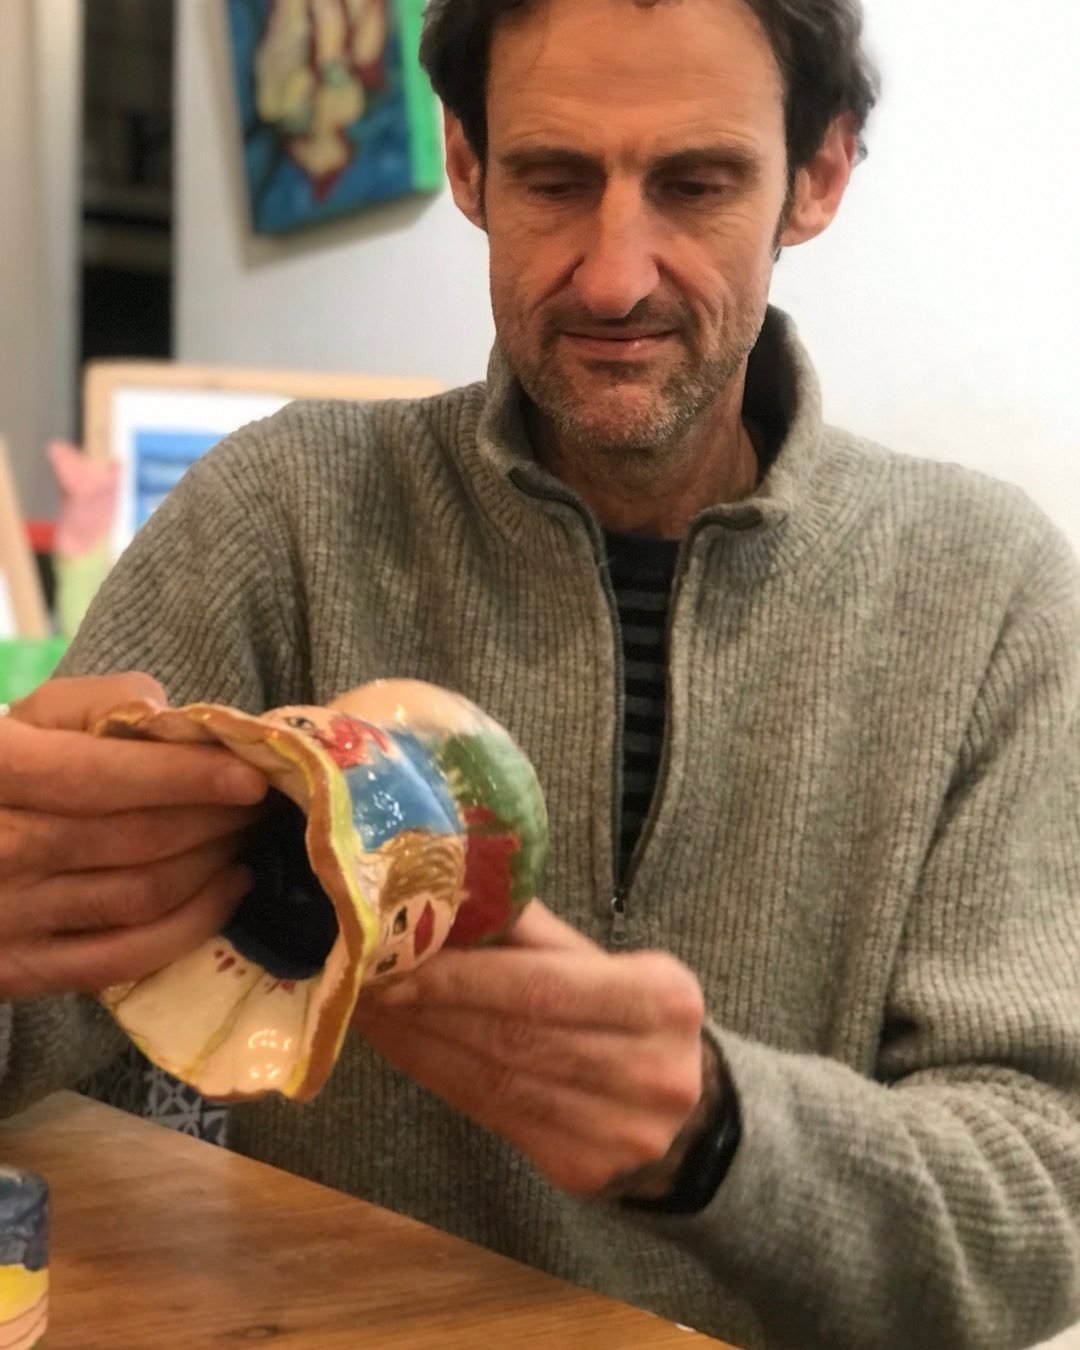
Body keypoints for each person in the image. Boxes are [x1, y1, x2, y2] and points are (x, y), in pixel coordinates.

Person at [0, 0, 1077, 1345]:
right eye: (554, 180)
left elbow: (1045, 1197)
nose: (614, 277)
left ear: (818, 174)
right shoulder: (281, 516)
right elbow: (43, 1033)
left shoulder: (991, 592)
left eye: (696, 184)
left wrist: (717, 1134)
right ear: (466, 163)